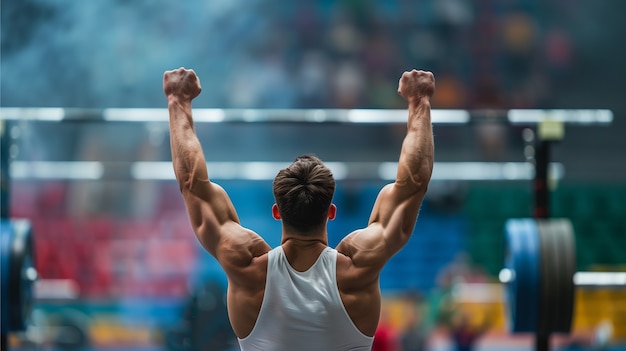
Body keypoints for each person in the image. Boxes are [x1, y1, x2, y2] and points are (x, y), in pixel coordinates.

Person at [163, 67, 435, 351]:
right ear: (331, 212)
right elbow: (413, 183)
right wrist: (419, 101)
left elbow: (192, 183)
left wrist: (178, 101)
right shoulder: (357, 269)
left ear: (276, 212)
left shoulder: (246, 267)